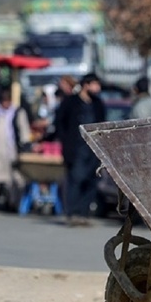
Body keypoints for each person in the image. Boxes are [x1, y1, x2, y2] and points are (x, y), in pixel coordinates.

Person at [55, 73, 106, 226]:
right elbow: (60, 123)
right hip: (76, 149)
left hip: (93, 149)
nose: (97, 88)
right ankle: (72, 213)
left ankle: (83, 213)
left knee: (91, 182)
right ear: (86, 85)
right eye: (95, 84)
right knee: (75, 180)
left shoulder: (98, 103)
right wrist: (65, 141)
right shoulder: (70, 102)